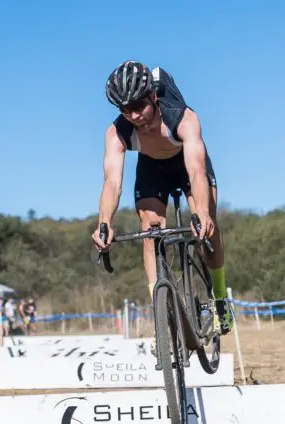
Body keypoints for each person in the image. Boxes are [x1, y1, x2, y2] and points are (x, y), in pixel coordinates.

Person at [91, 60, 234, 336]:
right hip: (152, 169)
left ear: (153, 96)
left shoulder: (182, 117)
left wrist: (202, 212)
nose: (133, 115)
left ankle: (219, 298)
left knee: (207, 225)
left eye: (138, 106)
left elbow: (196, 169)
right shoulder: (116, 132)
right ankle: (163, 317)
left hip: (187, 166)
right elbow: (112, 183)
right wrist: (104, 223)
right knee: (150, 232)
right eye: (125, 109)